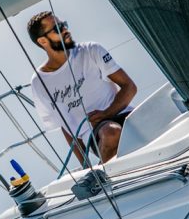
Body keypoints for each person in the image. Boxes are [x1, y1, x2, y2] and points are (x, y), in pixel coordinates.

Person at [28, 12, 137, 164]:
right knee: (111, 133)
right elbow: (65, 127)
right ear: (42, 41)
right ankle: (107, 174)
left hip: (123, 113)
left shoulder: (91, 50)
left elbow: (129, 87)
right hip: (95, 131)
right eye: (58, 28)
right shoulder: (39, 82)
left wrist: (107, 113)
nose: (66, 30)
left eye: (64, 24)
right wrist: (86, 166)